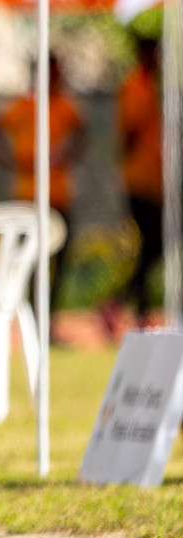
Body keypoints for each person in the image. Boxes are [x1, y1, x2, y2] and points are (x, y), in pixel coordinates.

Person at [0, 54, 86, 321]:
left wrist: (69, 157)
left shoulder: (64, 105)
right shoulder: (22, 105)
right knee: (29, 261)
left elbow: (83, 133)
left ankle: (50, 316)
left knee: (59, 258)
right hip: (28, 196)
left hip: (59, 194)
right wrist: (11, 163)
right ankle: (29, 315)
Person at [111, 36, 164, 332]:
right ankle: (124, 304)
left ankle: (133, 307)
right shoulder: (135, 86)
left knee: (152, 246)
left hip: (154, 180)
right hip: (139, 179)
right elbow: (129, 132)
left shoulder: (153, 86)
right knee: (154, 243)